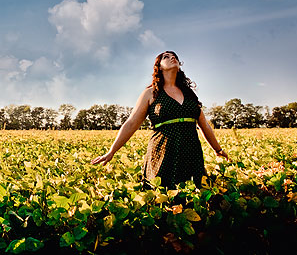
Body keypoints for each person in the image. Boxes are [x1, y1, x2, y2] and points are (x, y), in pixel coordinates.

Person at [91, 51, 229, 188]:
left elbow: (204, 125)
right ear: (159, 67)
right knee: (163, 195)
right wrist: (112, 151)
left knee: (195, 195)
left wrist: (218, 149)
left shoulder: (189, 93)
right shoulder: (151, 93)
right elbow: (132, 123)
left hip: (191, 153)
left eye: (174, 56)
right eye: (166, 57)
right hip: (163, 152)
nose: (172, 57)